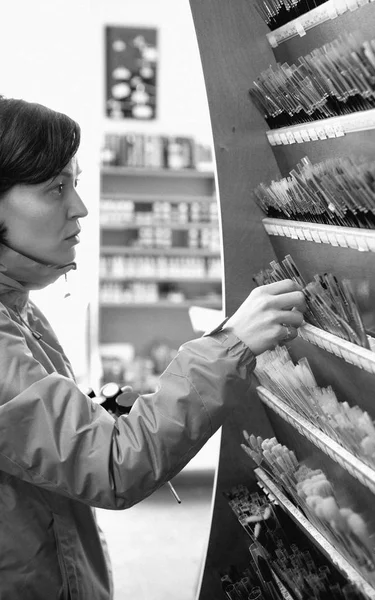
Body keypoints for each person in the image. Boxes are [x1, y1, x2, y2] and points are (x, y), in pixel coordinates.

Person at [0, 96, 306, 600]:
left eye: (76, 183)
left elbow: (41, 441)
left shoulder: (18, 306)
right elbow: (112, 466)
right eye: (56, 187)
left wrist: (96, 413)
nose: (80, 207)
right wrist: (230, 347)